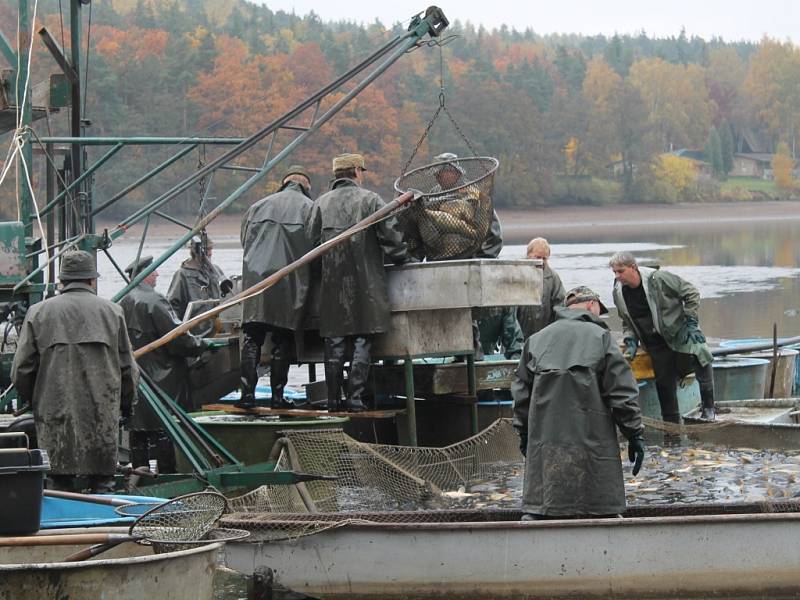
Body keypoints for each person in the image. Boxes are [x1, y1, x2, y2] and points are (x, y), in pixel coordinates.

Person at [512, 286, 645, 520]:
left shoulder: (535, 341)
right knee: (601, 510)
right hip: (595, 454)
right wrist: (635, 434)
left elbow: (521, 397)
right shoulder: (602, 338)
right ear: (592, 306)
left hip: (546, 455)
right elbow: (622, 394)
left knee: (541, 509)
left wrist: (524, 435)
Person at [12, 250, 138, 492]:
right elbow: (128, 369)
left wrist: (39, 401)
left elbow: (21, 370)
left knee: (58, 484)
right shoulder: (112, 312)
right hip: (101, 417)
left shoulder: (38, 313)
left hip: (54, 418)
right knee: (103, 483)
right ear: (92, 280)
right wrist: (124, 406)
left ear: (62, 280)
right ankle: (103, 522)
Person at [308, 153, 411, 412]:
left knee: (334, 342)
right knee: (362, 340)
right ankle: (355, 400)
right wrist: (402, 257)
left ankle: (333, 401)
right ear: (356, 171)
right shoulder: (371, 200)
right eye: (361, 170)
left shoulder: (319, 204)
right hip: (366, 284)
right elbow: (392, 240)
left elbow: (310, 248)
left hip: (331, 286)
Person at [120, 256, 215, 470]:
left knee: (139, 430)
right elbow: (178, 339)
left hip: (136, 379)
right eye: (153, 271)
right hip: (162, 380)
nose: (157, 274)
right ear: (145, 274)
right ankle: (167, 474)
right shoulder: (155, 301)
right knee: (165, 428)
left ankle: (139, 474)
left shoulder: (122, 301)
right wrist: (203, 344)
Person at [238, 165, 314, 409]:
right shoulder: (309, 208)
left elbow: (244, 240)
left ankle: (247, 395)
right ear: (306, 187)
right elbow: (317, 246)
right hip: (289, 282)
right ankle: (277, 397)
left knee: (252, 339)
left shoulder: (257, 206)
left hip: (255, 282)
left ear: (284, 182)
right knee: (283, 340)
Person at [609, 251, 715, 422]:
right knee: (664, 386)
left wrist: (691, 322)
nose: (617, 276)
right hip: (655, 343)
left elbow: (691, 293)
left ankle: (709, 408)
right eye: (614, 272)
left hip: (679, 332)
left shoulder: (658, 279)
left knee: (701, 354)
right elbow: (627, 321)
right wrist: (630, 339)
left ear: (633, 267)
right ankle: (671, 428)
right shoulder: (618, 292)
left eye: (620, 271)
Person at [167, 235, 232, 320]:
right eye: (207, 249)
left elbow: (225, 296)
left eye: (211, 249)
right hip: (193, 326)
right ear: (195, 251)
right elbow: (173, 305)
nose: (210, 253)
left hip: (215, 322)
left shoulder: (216, 270)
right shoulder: (182, 274)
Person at [517, 237, 566, 339]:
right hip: (518, 333)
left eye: (544, 258)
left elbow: (560, 305)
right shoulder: (516, 273)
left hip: (545, 335)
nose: (541, 261)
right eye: (538, 257)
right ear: (528, 255)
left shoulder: (553, 277)